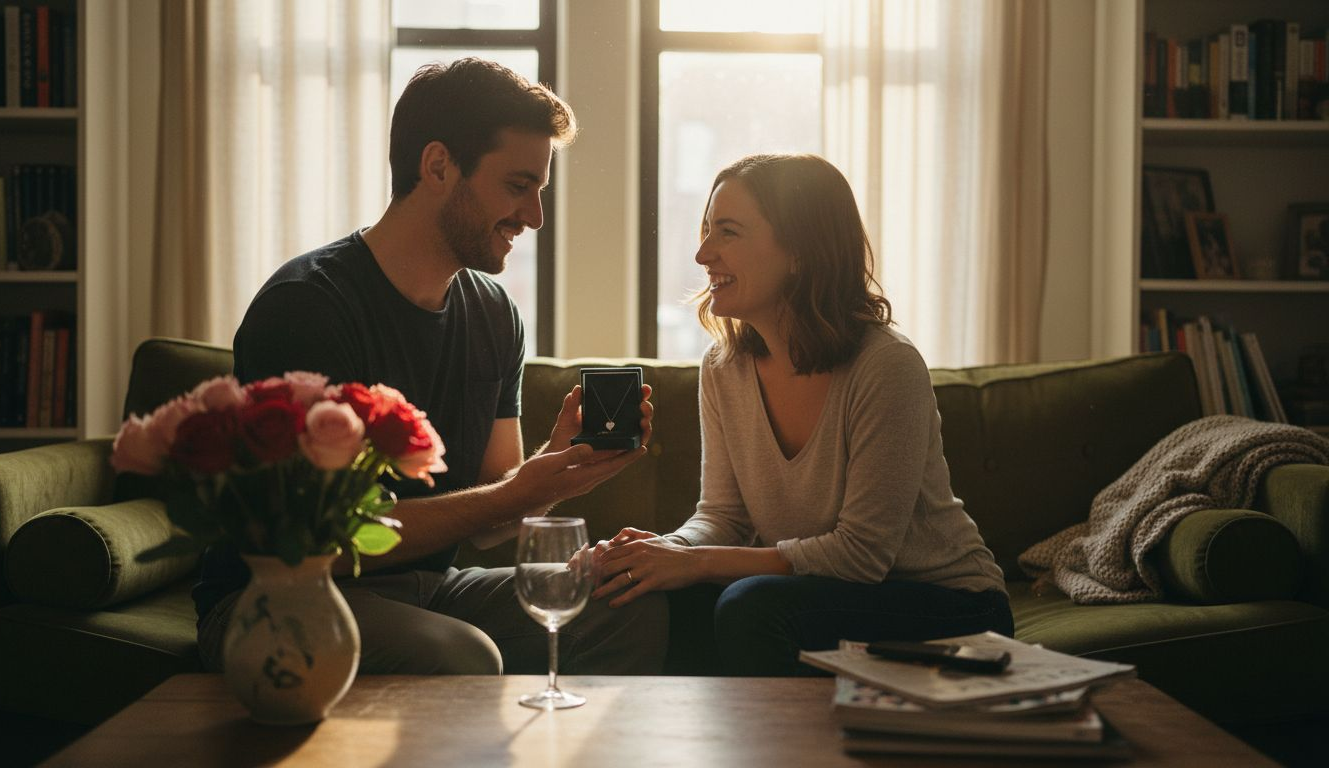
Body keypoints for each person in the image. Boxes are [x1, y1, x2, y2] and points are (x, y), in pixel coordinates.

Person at [194, 58, 668, 676]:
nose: (535, 216)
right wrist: (516, 492)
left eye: (540, 191)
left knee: (627, 605)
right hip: (281, 597)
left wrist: (557, 472)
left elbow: (491, 517)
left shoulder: (495, 315)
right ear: (439, 166)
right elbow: (310, 543)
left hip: (428, 589)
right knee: (462, 653)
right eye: (518, 185)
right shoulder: (307, 307)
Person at [591, 154, 1011, 675]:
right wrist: (661, 552)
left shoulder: (887, 365)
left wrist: (693, 562)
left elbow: (861, 556)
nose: (702, 253)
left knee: (750, 607)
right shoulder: (724, 367)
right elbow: (723, 517)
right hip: (823, 597)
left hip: (950, 605)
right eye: (707, 230)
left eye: (728, 232)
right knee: (659, 598)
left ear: (799, 253)